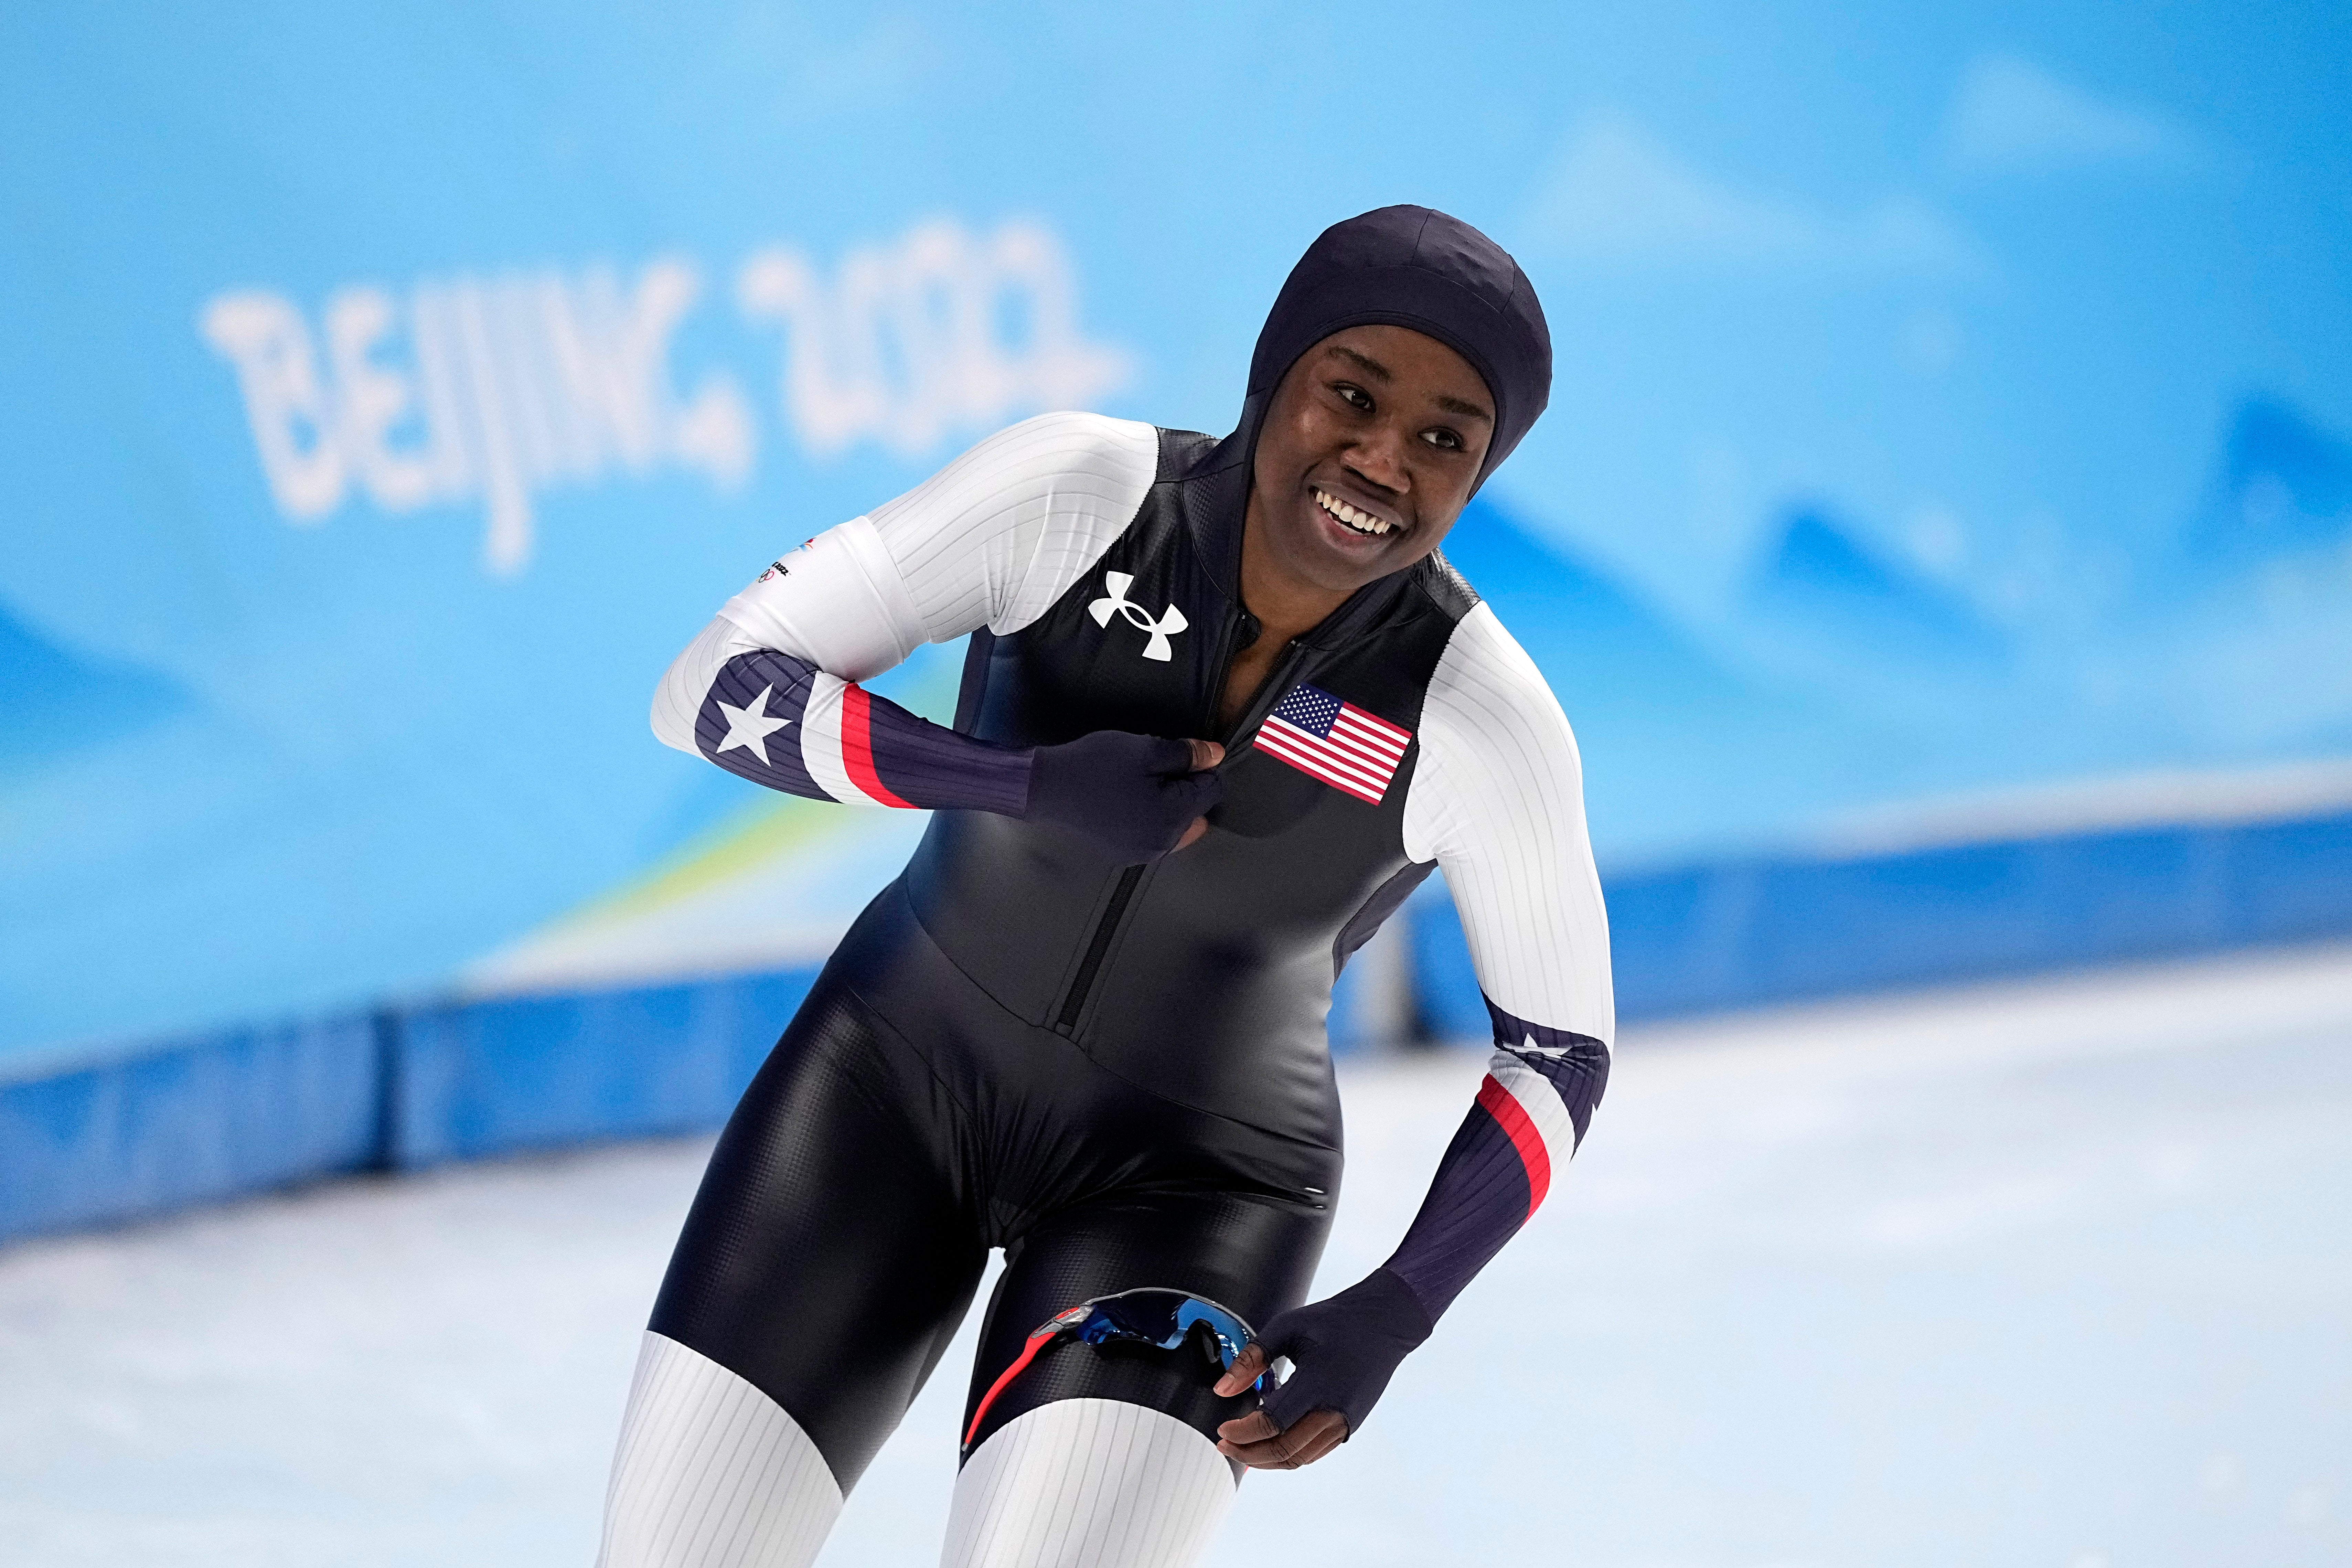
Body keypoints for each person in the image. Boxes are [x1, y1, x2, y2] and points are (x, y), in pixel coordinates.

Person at [600, 205, 1613, 1568]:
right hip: (885, 1090)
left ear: (1479, 479)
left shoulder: (1477, 713)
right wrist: (1009, 781)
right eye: (1350, 395)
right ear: (1271, 383)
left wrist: (1399, 1305)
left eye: (1444, 439)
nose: (1379, 462)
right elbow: (709, 689)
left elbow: (1560, 1051)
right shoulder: (1075, 496)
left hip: (1192, 1194)